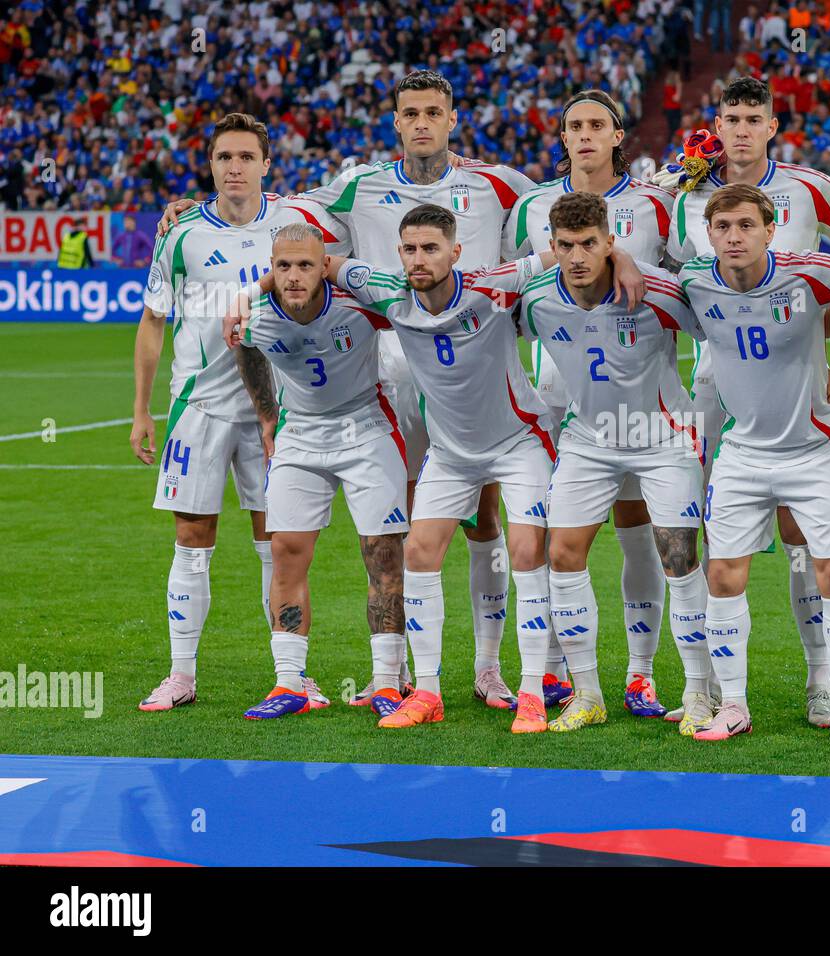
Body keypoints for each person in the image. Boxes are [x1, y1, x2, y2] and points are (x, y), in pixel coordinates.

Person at [158, 71, 536, 712]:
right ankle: (402, 676)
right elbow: (273, 218)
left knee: (483, 521)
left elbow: (569, 213)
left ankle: (489, 668)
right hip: (385, 367)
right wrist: (192, 213)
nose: (421, 122)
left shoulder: (497, 183)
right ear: (395, 121)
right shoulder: (358, 184)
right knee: (409, 531)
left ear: (452, 118)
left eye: (433, 112)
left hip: (469, 376)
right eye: (410, 112)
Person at [322, 203, 644, 732]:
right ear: (398, 253)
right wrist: (248, 294)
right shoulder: (388, 290)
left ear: (455, 251)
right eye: (409, 249)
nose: (419, 258)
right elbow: (324, 262)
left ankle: (534, 691)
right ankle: (427, 691)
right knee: (419, 551)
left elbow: (567, 255)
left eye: (430, 248)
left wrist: (625, 257)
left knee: (524, 550)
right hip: (450, 453)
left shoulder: (496, 284)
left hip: (519, 442)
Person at [664, 76, 830, 728]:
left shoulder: (811, 188)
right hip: (713, 384)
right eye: (728, 116)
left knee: (801, 535)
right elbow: (670, 276)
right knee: (700, 534)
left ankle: (823, 681)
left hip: (793, 384)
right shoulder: (685, 194)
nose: (739, 128)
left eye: (751, 118)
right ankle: (705, 686)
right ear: (717, 121)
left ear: (771, 126)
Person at [131, 113, 341, 713]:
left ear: (266, 164)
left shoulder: (296, 224)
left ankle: (291, 677)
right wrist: (143, 411)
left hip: (278, 413)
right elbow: (153, 320)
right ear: (212, 165)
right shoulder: (180, 234)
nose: (235, 167)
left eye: (247, 157)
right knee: (191, 541)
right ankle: (181, 675)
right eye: (225, 157)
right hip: (198, 409)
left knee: (277, 544)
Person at [677, 184, 830, 747]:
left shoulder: (808, 270)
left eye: (745, 226)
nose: (733, 237)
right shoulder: (695, 279)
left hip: (816, 451)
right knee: (723, 575)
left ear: (770, 230)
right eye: (722, 227)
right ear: (709, 234)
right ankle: (733, 705)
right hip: (742, 451)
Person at [504, 89, 679, 718]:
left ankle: (640, 674)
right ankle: (553, 673)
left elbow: (686, 281)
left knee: (640, 536)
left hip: (641, 397)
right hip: (554, 396)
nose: (583, 135)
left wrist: (628, 256)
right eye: (573, 125)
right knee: (553, 539)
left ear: (617, 135)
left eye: (596, 125)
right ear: (562, 136)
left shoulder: (658, 203)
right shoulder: (528, 206)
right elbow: (516, 282)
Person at [520, 191, 712, 735]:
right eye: (566, 246)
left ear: (610, 242)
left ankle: (699, 691)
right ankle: (587, 694)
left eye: (589, 244)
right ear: (551, 248)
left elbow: (715, 315)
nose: (578, 256)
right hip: (589, 437)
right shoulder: (534, 299)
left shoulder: (656, 291)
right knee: (562, 553)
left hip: (663, 436)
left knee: (678, 557)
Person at [227, 223, 407, 722]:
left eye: (306, 264)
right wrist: (266, 413)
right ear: (271, 269)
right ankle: (291, 684)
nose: (293, 275)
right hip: (300, 435)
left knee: (383, 554)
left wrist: (345, 268)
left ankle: (389, 682)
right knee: (285, 550)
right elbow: (241, 344)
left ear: (323, 264)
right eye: (282, 266)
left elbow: (405, 295)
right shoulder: (256, 315)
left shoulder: (356, 302)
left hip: (367, 428)